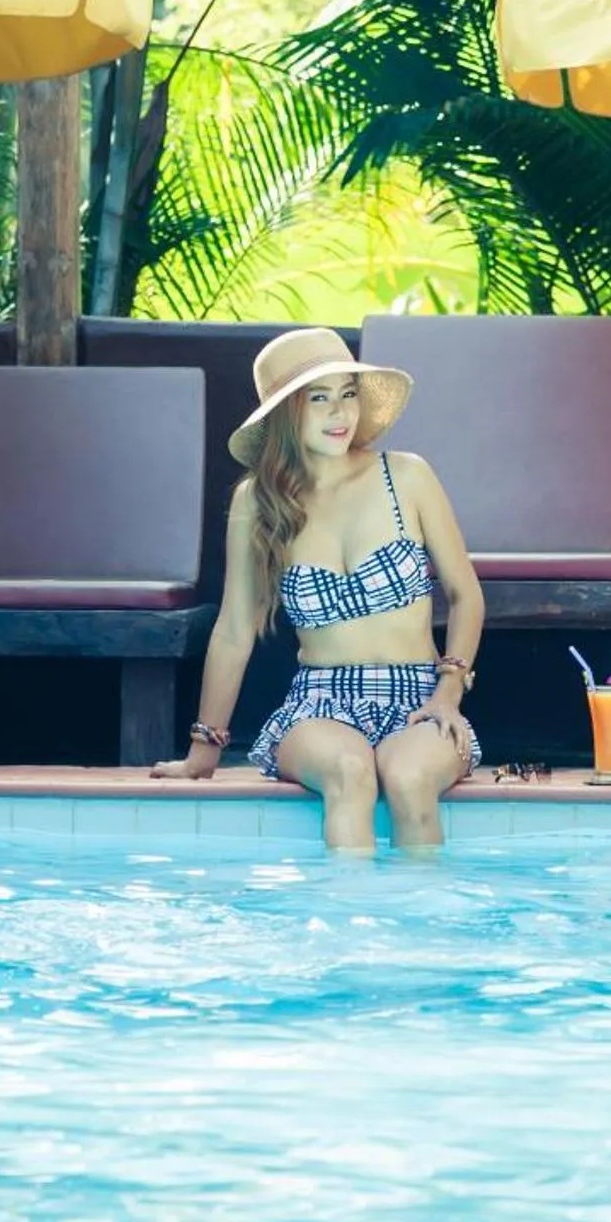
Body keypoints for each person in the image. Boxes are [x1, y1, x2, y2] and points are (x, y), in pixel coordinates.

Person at [154, 328, 485, 851]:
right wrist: (205, 749)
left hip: (420, 696)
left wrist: (448, 693)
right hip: (319, 701)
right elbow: (235, 631)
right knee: (351, 772)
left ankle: (422, 905)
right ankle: (344, 905)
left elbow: (466, 595)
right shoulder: (258, 502)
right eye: (319, 398)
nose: (340, 412)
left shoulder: (406, 477)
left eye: (348, 394)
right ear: (286, 413)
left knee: (408, 776)